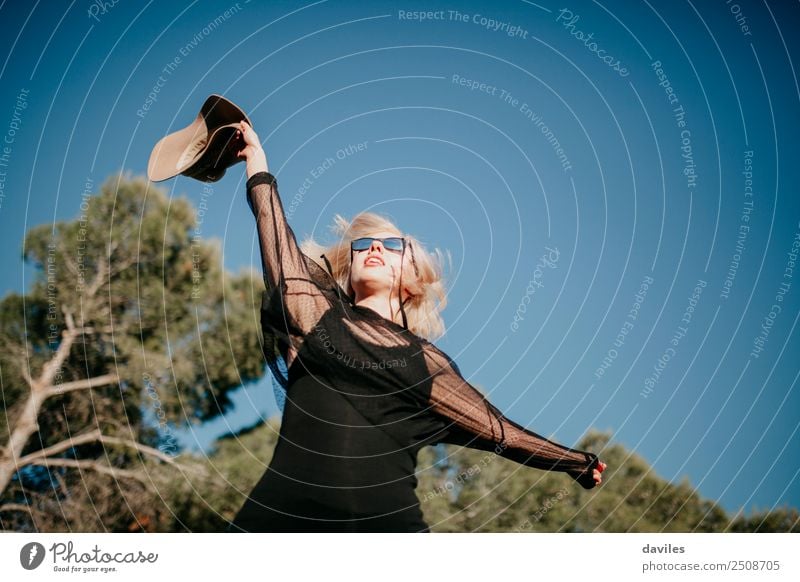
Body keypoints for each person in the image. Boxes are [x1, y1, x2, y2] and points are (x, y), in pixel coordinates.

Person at [228, 120, 606, 533]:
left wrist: (576, 463)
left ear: (411, 277)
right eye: (363, 245)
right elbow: (277, 240)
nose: (374, 247)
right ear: (348, 269)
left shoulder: (427, 364)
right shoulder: (314, 318)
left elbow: (502, 431)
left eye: (392, 246)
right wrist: (257, 161)